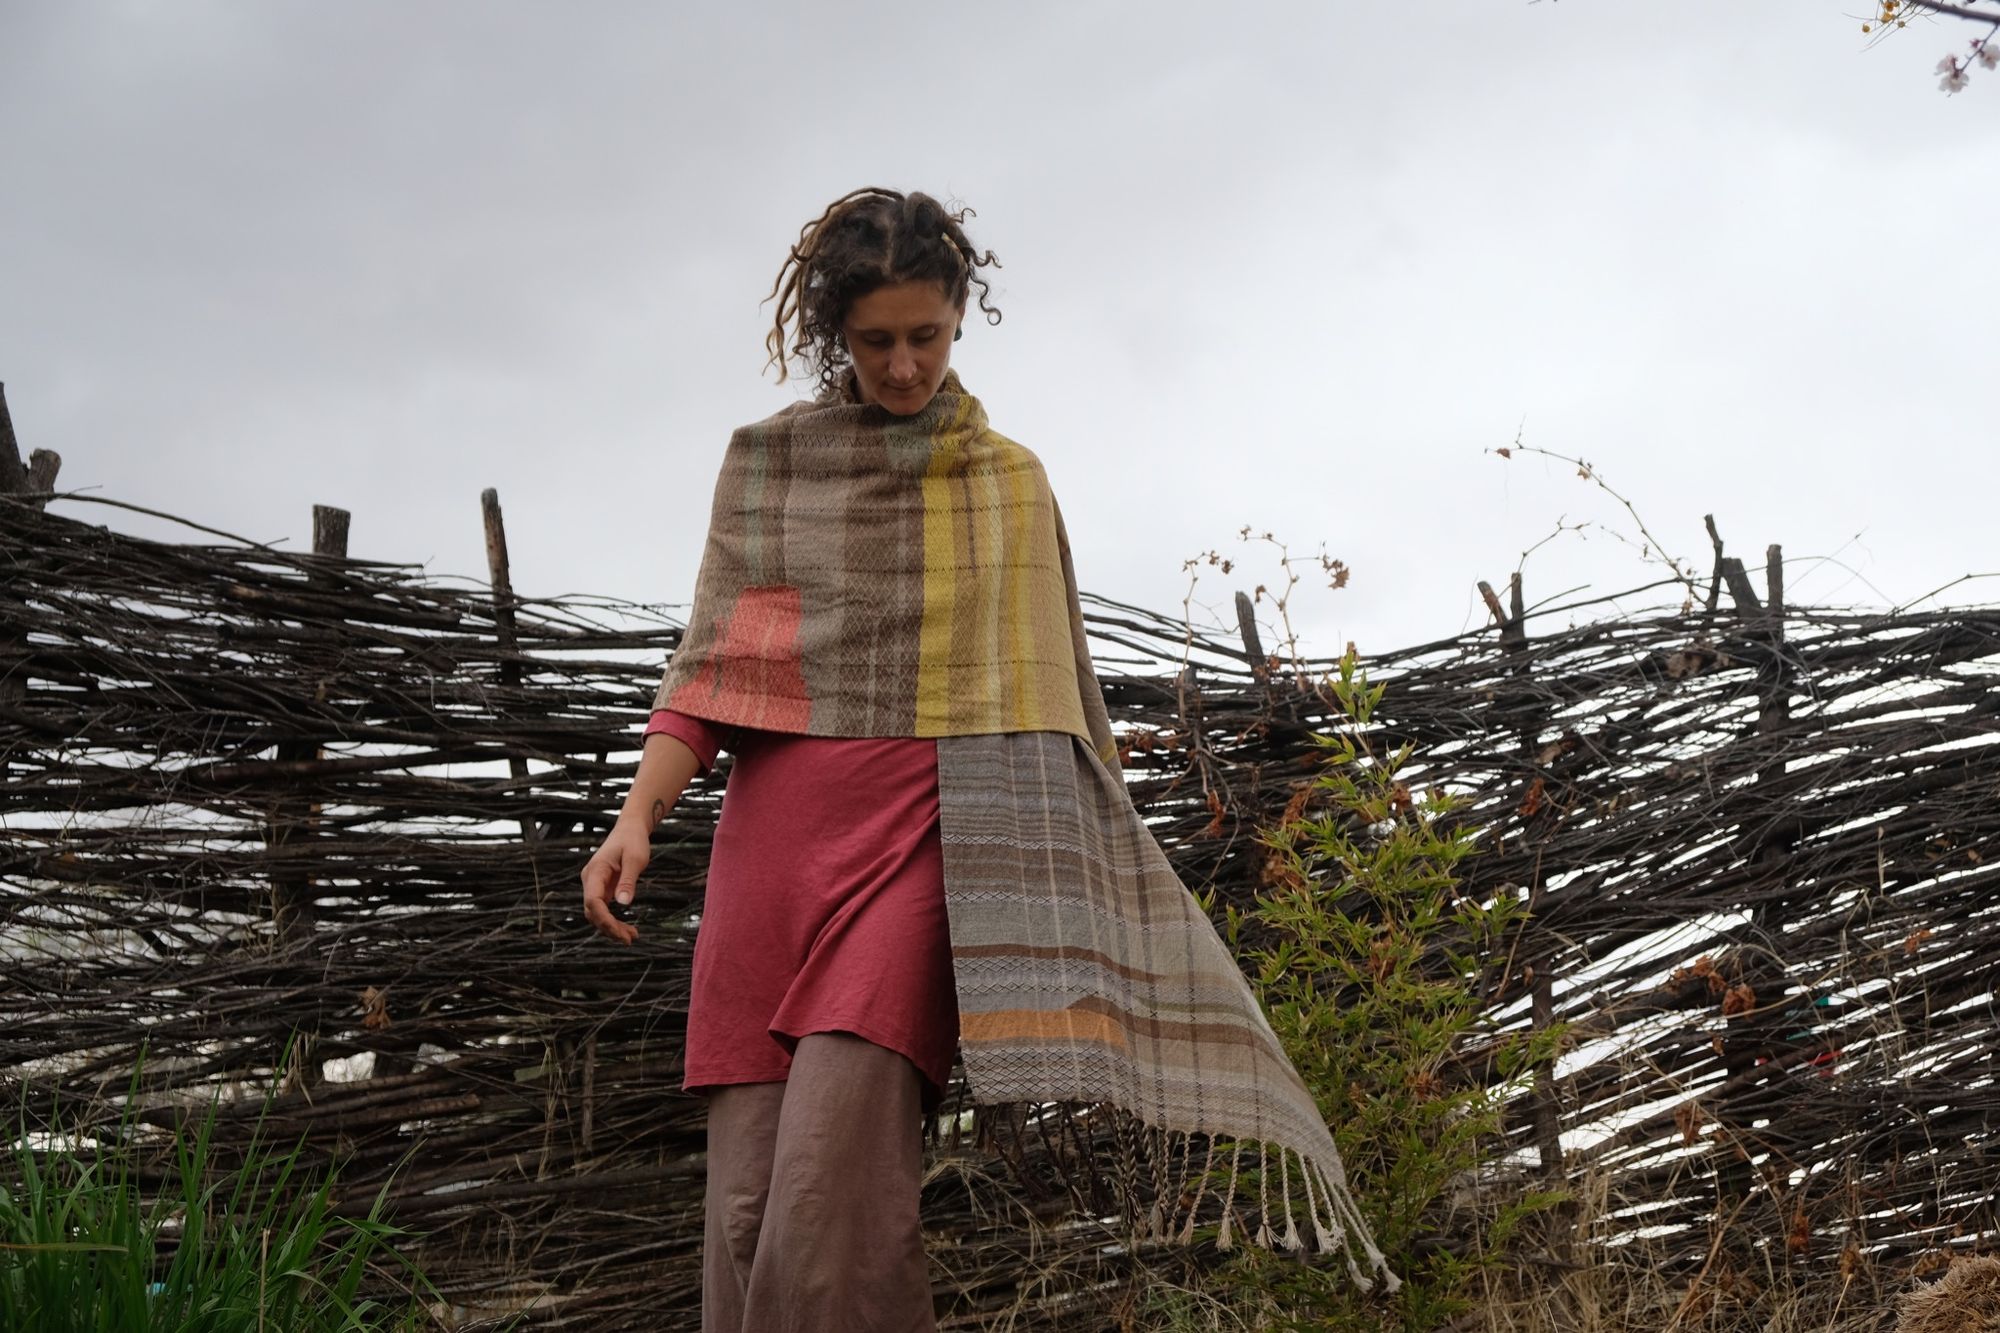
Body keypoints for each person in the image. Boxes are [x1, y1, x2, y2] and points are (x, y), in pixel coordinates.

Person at [581, 188, 1390, 1333]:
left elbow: (1045, 694)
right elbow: (714, 673)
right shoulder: (773, 473)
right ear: (833, 336)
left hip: (917, 862)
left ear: (960, 321)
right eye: (876, 341)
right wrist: (637, 818)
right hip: (770, 864)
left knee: (833, 1193)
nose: (904, 365)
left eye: (927, 336)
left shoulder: (1002, 484)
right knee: (749, 1204)